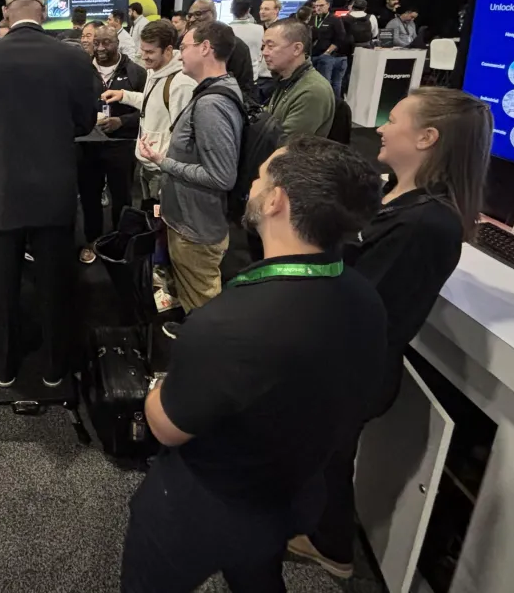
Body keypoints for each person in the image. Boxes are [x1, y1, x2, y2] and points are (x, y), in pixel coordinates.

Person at [121, 135, 386, 593]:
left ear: (277, 200)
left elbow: (166, 427)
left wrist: (156, 389)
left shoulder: (227, 324)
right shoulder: (364, 296)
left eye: (261, 177)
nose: (252, 185)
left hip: (205, 507)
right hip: (292, 494)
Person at [291, 88, 492, 579]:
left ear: (427, 137)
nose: (380, 127)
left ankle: (332, 548)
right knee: (325, 456)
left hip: (353, 371)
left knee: (331, 459)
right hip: (342, 363)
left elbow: (361, 303)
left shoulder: (426, 222)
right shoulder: (399, 196)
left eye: (394, 119)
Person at [0, 0, 97, 386]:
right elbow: (86, 123)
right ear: (43, 10)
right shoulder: (73, 58)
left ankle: (3, 367)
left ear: (6, 12)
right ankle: (56, 368)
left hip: (1, 193)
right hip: (55, 192)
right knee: (57, 287)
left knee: (1, 289)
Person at [138, 22, 242, 313]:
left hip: (196, 227)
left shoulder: (211, 104)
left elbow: (221, 176)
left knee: (203, 305)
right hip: (192, 219)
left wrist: (164, 162)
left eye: (183, 47)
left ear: (205, 47)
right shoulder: (213, 92)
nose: (179, 54)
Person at [102, 19, 196, 209]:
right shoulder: (155, 70)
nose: (143, 56)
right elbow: (152, 102)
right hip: (149, 166)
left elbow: (184, 136)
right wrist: (124, 95)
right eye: (142, 50)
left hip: (163, 172)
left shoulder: (181, 84)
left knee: (161, 219)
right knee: (150, 216)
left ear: (168, 50)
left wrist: (167, 172)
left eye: (150, 52)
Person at [77, 26, 147, 263]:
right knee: (89, 197)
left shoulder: (136, 73)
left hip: (121, 144)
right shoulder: (82, 70)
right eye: (96, 42)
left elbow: (148, 111)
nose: (100, 48)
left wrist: (122, 121)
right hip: (88, 145)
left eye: (106, 43)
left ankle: (120, 242)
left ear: (117, 43)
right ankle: (92, 241)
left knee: (122, 197)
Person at [262, 19, 335, 138]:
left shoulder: (312, 91)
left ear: (297, 49)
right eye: (263, 46)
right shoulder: (286, 80)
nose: (264, 52)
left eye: (270, 46)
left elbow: (286, 143)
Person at [188, 0, 254, 97]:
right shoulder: (186, 42)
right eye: (190, 15)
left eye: (198, 14)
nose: (192, 19)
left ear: (213, 14)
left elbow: (245, 88)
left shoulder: (237, 46)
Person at [309, 0, 351, 98]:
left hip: (326, 57)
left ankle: (332, 105)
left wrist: (327, 52)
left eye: (321, 5)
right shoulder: (312, 19)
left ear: (328, 5)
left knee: (326, 83)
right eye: (316, 6)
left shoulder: (334, 20)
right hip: (312, 55)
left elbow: (340, 37)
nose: (318, 8)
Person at [228, 0, 265, 81]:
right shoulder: (260, 29)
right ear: (248, 10)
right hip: (253, 76)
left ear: (231, 10)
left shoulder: (225, 30)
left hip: (231, 77)